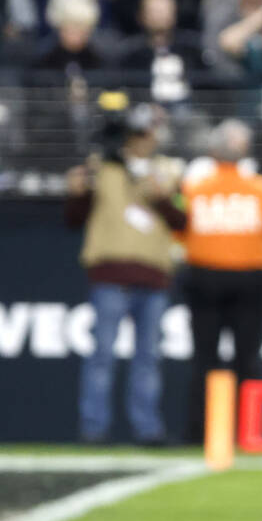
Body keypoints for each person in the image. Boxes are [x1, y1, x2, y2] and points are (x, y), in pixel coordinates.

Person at [64, 98, 186, 444]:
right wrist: (75, 193)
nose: (148, 137)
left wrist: (163, 197)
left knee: (147, 359)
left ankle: (148, 429)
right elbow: (74, 219)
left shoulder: (170, 171)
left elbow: (183, 219)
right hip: (110, 274)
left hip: (153, 275)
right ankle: (93, 428)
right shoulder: (100, 166)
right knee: (102, 356)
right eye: (143, 131)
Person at [181, 120, 262, 443]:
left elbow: (176, 236)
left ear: (213, 151)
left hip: (203, 277)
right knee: (248, 357)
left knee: (204, 358)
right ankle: (250, 432)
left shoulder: (193, 188)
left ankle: (198, 434)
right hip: (250, 279)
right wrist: (253, 264)